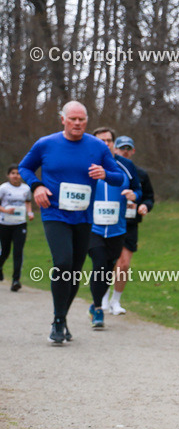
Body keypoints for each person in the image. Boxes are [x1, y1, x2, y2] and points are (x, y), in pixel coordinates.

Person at [18, 101, 126, 343]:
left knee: (74, 272)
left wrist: (105, 174)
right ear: (63, 119)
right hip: (54, 213)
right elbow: (25, 167)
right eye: (73, 119)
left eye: (82, 119)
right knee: (63, 262)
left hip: (84, 216)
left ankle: (62, 317)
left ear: (86, 121)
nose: (77, 123)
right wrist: (37, 186)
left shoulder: (98, 146)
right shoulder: (46, 144)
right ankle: (57, 321)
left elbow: (119, 178)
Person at [86, 129, 140, 329]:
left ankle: (95, 303)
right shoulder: (85, 164)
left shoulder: (126, 166)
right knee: (99, 265)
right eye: (102, 141)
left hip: (117, 229)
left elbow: (139, 189)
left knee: (108, 270)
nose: (106, 144)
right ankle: (99, 308)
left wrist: (134, 195)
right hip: (93, 228)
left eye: (109, 140)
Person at [104, 135, 154, 315]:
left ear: (132, 151)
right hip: (109, 221)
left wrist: (144, 206)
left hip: (130, 223)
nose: (125, 151)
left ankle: (115, 301)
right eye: (121, 147)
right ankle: (103, 297)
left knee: (124, 264)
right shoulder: (107, 169)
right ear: (115, 150)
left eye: (128, 148)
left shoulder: (139, 174)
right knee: (108, 262)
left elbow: (148, 197)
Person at [0, 164, 34, 291]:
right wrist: (5, 210)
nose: (16, 176)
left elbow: (28, 202)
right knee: (5, 251)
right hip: (4, 223)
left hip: (20, 224)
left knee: (18, 251)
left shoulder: (25, 188)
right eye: (13, 173)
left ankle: (16, 280)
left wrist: (30, 213)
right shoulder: (3, 188)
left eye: (18, 173)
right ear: (8, 175)